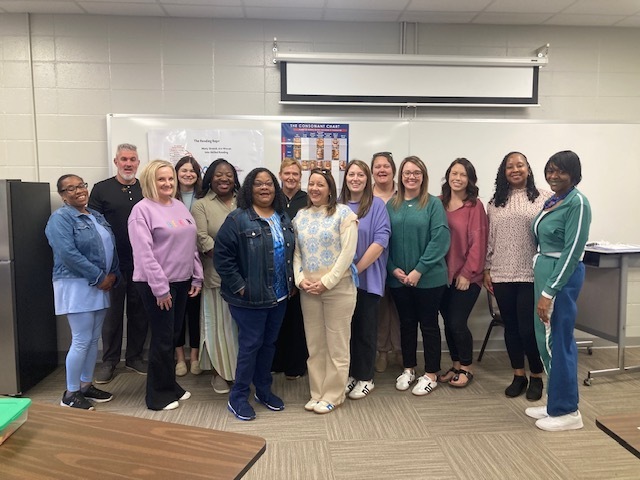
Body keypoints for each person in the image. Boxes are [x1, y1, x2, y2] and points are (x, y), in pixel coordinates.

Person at [214, 168, 295, 421]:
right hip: (249, 299)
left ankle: (263, 390)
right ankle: (237, 397)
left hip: (280, 296)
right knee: (250, 346)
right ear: (249, 188)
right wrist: (240, 286)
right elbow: (222, 258)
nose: (264, 188)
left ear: (275, 188)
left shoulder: (282, 217)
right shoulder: (237, 219)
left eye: (269, 184)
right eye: (258, 184)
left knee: (268, 345)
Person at [128, 160, 203, 411]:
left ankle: (170, 386)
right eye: (162, 179)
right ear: (150, 180)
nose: (168, 183)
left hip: (182, 281)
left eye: (170, 178)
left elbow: (190, 243)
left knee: (171, 337)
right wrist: (160, 288)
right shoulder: (142, 210)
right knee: (161, 339)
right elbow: (143, 253)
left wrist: (197, 274)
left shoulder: (179, 206)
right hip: (156, 285)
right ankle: (157, 396)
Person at [525, 150, 591, 432]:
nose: (553, 176)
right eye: (550, 170)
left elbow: (573, 252)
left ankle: (568, 411)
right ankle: (555, 401)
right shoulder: (554, 200)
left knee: (558, 341)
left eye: (560, 171)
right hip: (546, 275)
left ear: (573, 174)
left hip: (559, 280)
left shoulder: (578, 203)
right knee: (545, 340)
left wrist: (550, 291)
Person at [45, 175, 120, 410]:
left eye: (81, 185)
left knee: (92, 340)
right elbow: (67, 253)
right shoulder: (60, 219)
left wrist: (114, 274)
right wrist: (99, 278)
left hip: (100, 284)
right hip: (77, 285)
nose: (78, 191)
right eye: (70, 188)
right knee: (80, 340)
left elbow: (110, 247)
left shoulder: (95, 215)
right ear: (62, 195)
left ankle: (86, 385)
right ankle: (71, 393)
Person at [484, 151, 551, 400]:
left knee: (527, 329)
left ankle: (536, 376)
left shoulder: (545, 198)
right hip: (502, 274)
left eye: (520, 165)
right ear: (503, 172)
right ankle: (518, 374)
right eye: (510, 166)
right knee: (510, 328)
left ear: (528, 169)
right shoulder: (494, 203)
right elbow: (490, 239)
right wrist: (487, 268)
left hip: (531, 274)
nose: (515, 169)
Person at [294, 168, 358, 414]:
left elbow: (347, 253)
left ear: (330, 188)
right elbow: (297, 253)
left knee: (337, 345)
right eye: (311, 184)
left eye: (320, 184)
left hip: (338, 289)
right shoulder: (300, 216)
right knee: (315, 345)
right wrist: (300, 280)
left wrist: (327, 281)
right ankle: (317, 392)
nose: (315, 189)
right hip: (308, 290)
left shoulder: (344, 214)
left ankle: (334, 394)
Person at [387, 156, 450, 396]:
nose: (411, 177)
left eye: (416, 173)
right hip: (398, 279)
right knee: (406, 324)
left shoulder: (433, 204)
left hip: (429, 279)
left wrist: (418, 270)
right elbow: (384, 241)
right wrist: (393, 268)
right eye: (406, 172)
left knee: (429, 325)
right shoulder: (391, 205)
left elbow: (440, 240)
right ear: (400, 176)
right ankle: (409, 368)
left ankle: (431, 373)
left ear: (423, 177)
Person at [90, 143, 148, 384]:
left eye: (132, 159)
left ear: (138, 162)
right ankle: (110, 361)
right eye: (123, 159)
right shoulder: (101, 189)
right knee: (113, 316)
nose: (128, 163)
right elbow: (92, 228)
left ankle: (134, 357)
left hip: (142, 262)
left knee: (140, 312)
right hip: (113, 264)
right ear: (116, 162)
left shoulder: (146, 188)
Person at [340, 160, 390, 399]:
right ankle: (350, 373)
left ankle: (366, 377)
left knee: (365, 330)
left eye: (361, 174)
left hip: (367, 279)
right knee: (344, 330)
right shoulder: (337, 205)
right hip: (339, 282)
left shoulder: (377, 205)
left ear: (367, 179)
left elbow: (380, 241)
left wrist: (355, 270)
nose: (356, 178)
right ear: (346, 178)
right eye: (352, 174)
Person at [438, 158, 488, 388]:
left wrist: (467, 273)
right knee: (447, 322)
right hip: (441, 275)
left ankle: (467, 368)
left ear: (470, 180)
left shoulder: (474, 206)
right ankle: (456, 364)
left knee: (457, 321)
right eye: (454, 173)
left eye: (463, 175)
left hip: (467, 276)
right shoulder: (438, 203)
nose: (457, 178)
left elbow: (479, 243)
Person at [192, 158, 240, 395]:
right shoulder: (200, 205)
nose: (224, 178)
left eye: (229, 174)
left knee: (240, 329)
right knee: (218, 329)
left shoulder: (244, 202)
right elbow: (203, 239)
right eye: (219, 174)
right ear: (210, 177)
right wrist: (232, 260)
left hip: (245, 280)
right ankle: (219, 373)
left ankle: (239, 372)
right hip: (217, 277)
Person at [272, 158, 309, 379]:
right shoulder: (272, 199)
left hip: (301, 266)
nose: (291, 177)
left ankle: (296, 365)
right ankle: (277, 361)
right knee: (277, 317)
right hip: (276, 265)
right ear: (280, 174)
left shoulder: (307, 200)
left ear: (300, 177)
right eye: (287, 173)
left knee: (297, 318)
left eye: (295, 174)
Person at [371, 151, 401, 373]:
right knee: (380, 310)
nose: (382, 170)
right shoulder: (365, 196)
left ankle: (400, 351)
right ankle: (381, 351)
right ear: (372, 172)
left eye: (386, 166)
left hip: (401, 261)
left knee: (402, 309)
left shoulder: (405, 194)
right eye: (377, 166)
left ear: (393, 170)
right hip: (374, 262)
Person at [173, 155, 204, 377]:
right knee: (177, 313)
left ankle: (194, 357)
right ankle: (179, 358)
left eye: (192, 170)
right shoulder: (167, 198)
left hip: (200, 263)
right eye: (184, 170)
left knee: (194, 312)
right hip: (174, 264)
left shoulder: (202, 197)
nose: (188, 174)